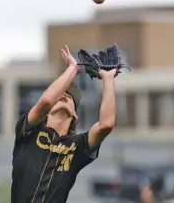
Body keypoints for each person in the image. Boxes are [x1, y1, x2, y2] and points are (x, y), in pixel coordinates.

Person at [11, 45, 117, 203]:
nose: (63, 95)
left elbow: (106, 124)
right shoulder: (28, 131)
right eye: (60, 94)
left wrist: (107, 78)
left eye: (69, 96)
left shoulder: (76, 147)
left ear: (75, 114)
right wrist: (73, 69)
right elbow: (46, 101)